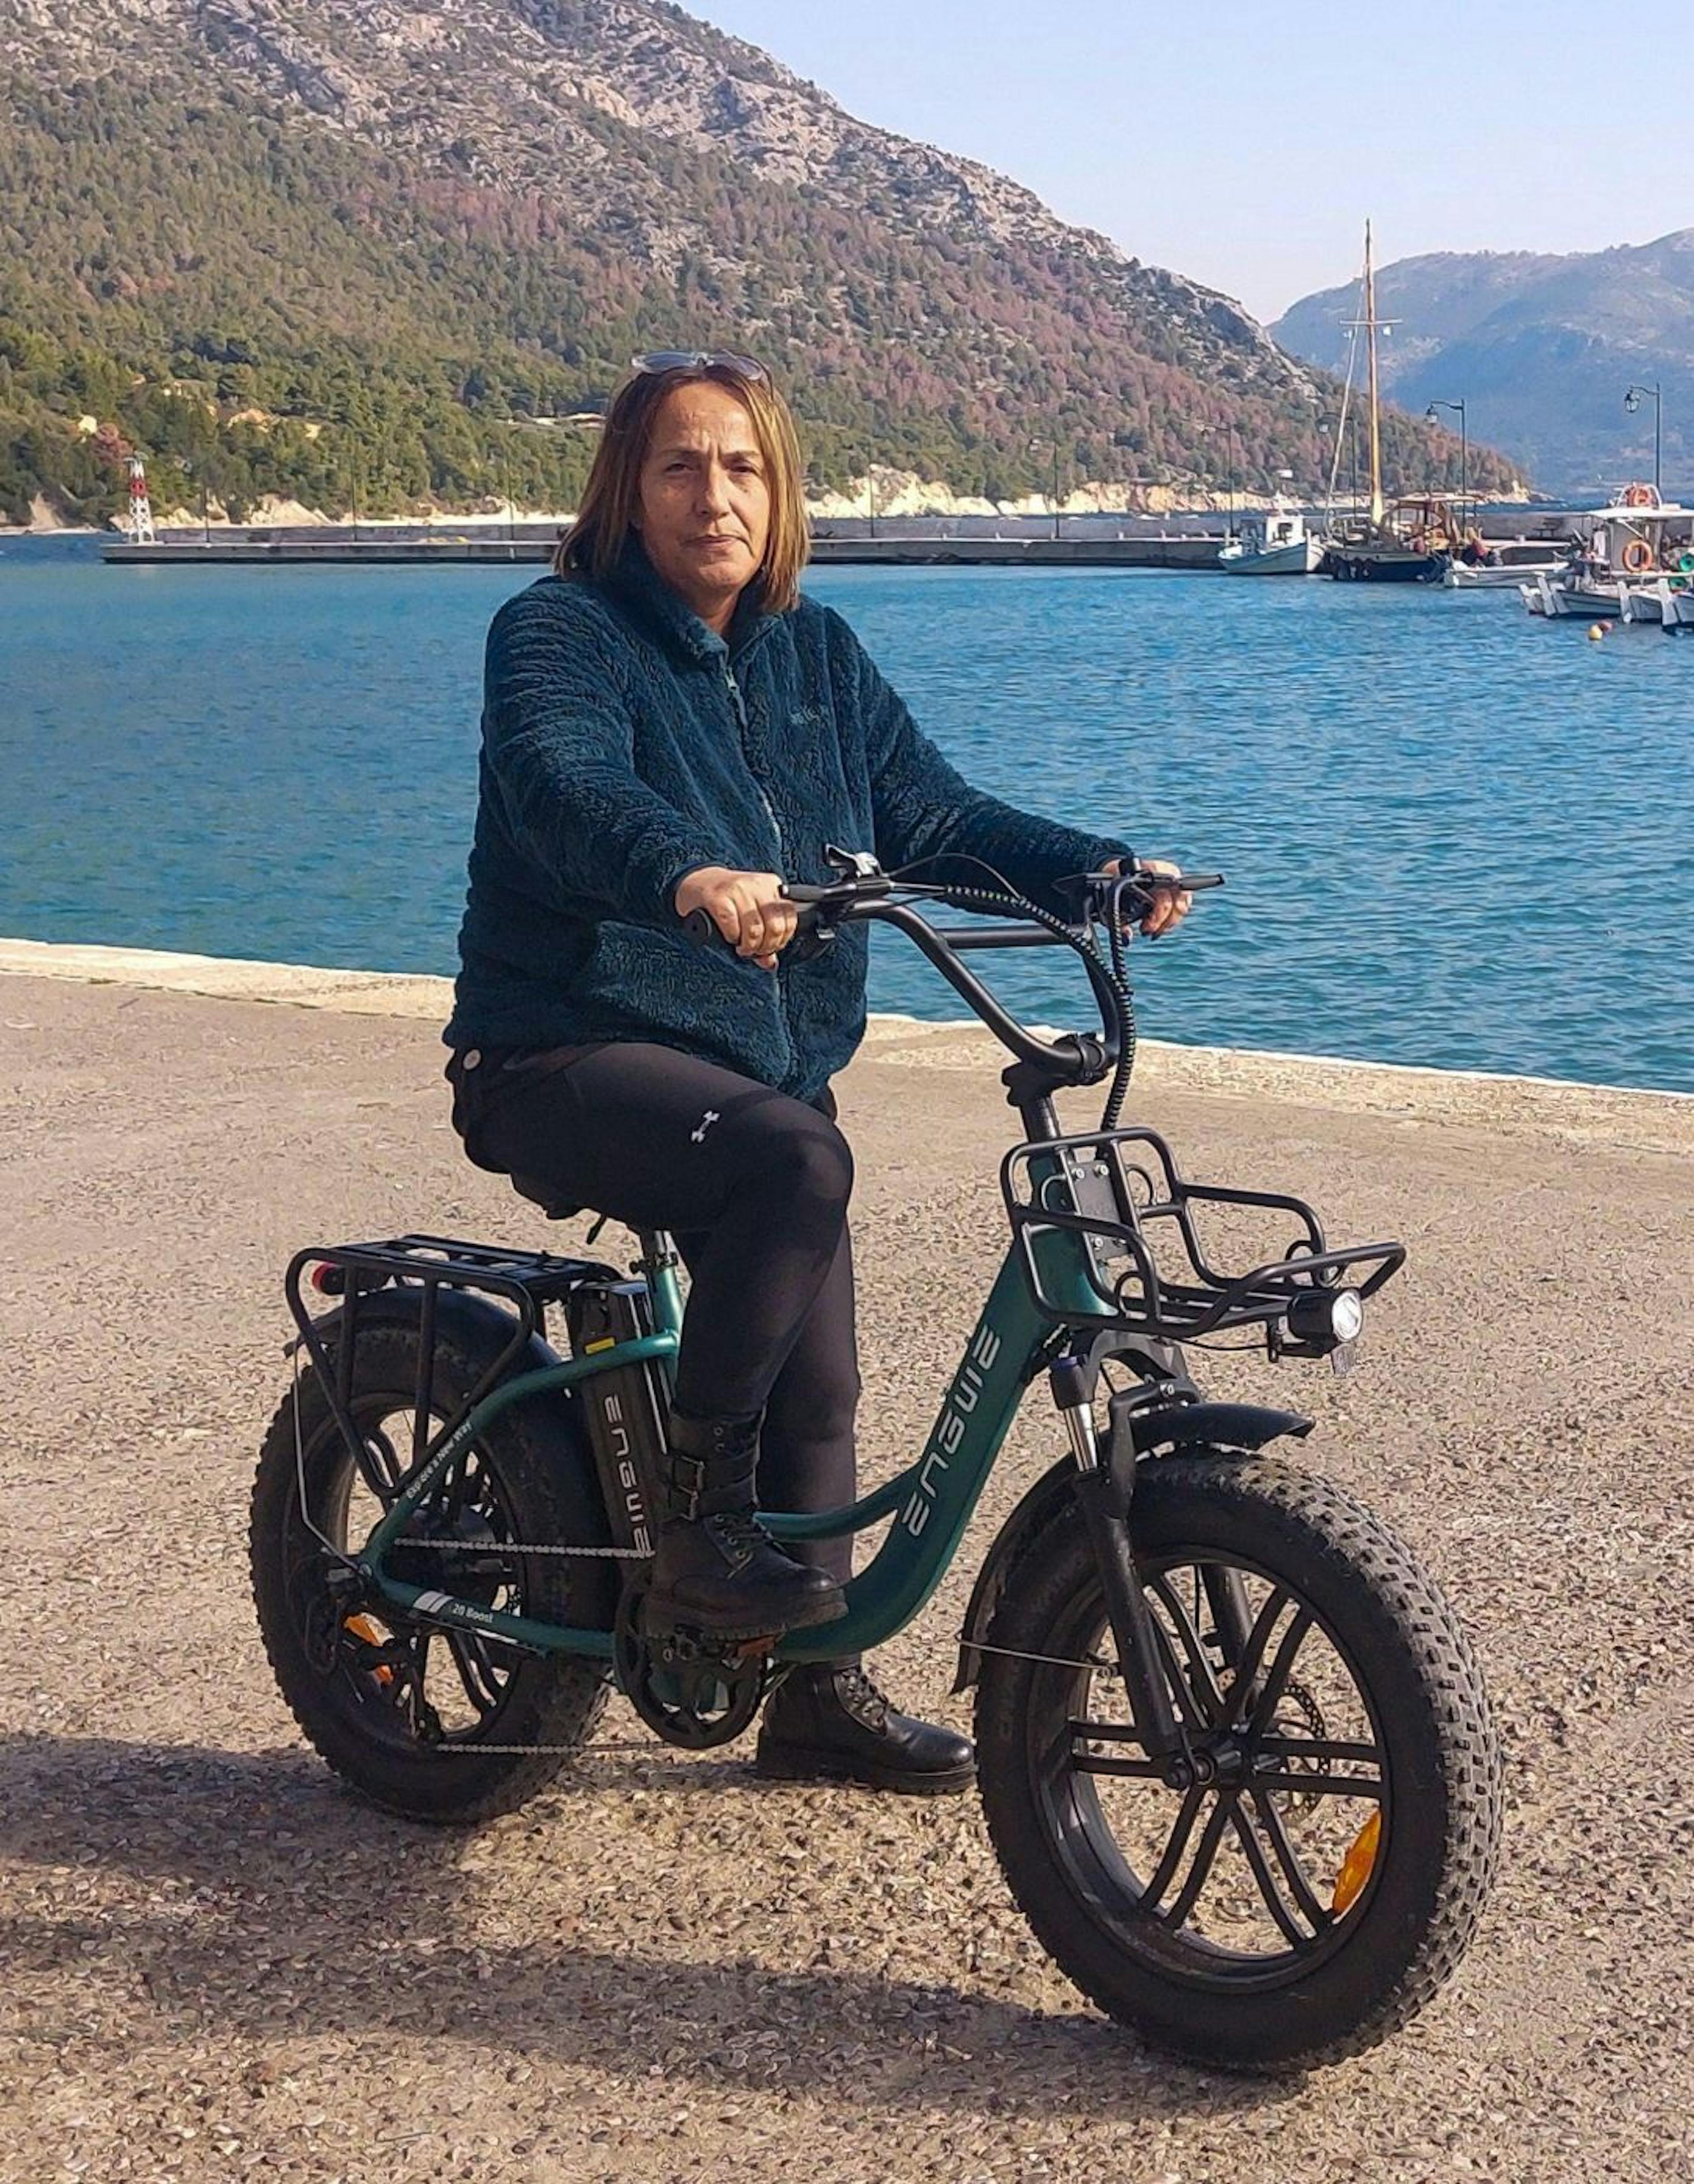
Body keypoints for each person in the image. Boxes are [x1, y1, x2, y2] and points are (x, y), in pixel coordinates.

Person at [443, 349, 1190, 1795]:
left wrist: (1092, 869)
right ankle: (694, 1532)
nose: (714, 494)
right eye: (679, 464)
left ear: (779, 490)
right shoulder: (559, 631)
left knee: (824, 1384)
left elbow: (930, 813)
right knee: (799, 1164)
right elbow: (562, 783)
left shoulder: (815, 652)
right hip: (562, 1045)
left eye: (741, 467)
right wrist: (691, 872)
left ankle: (813, 1694)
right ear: (629, 486)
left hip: (755, 1066)